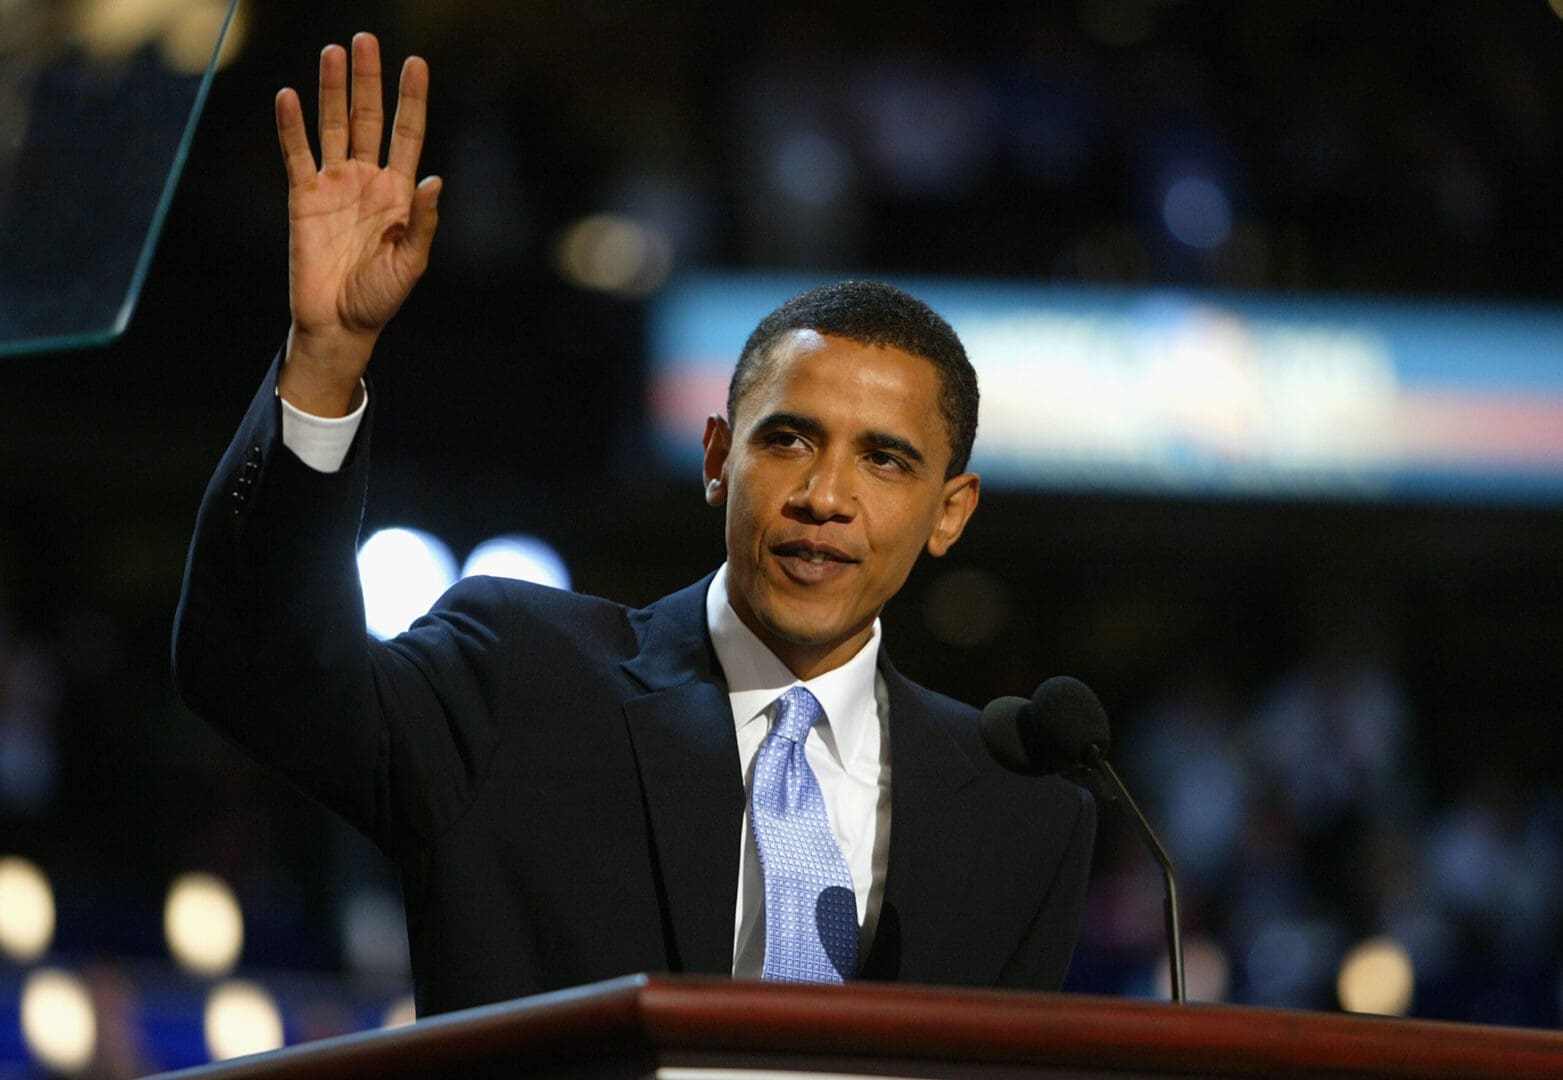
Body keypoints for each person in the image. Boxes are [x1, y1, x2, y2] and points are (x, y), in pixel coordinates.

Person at [172, 33, 1094, 1017]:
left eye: (884, 459)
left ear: (949, 513)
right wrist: (324, 358)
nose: (825, 494)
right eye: (786, 440)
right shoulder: (514, 680)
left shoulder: (1022, 810)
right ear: (715, 462)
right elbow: (258, 675)